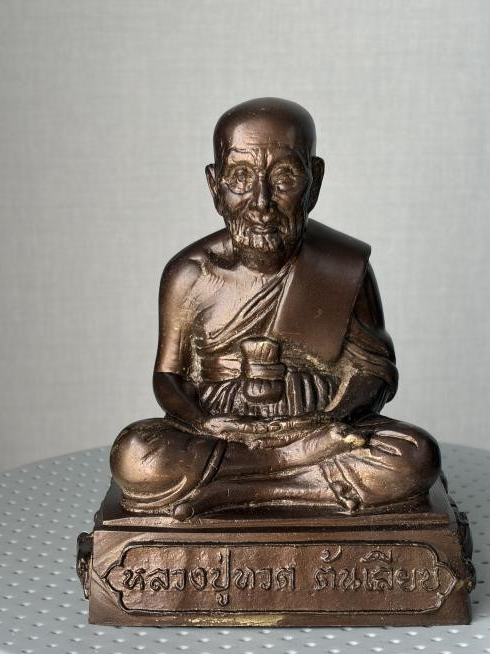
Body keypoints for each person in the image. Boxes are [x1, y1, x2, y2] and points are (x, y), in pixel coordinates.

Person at [110, 98, 441, 519]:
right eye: (240, 178)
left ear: (314, 182)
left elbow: (373, 371)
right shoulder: (189, 274)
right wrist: (205, 423)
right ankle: (304, 483)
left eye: (284, 177)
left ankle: (220, 493)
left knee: (414, 456)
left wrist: (331, 420)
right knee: (136, 454)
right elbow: (168, 377)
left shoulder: (341, 267)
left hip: (316, 426)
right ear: (214, 186)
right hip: (225, 434)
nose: (261, 202)